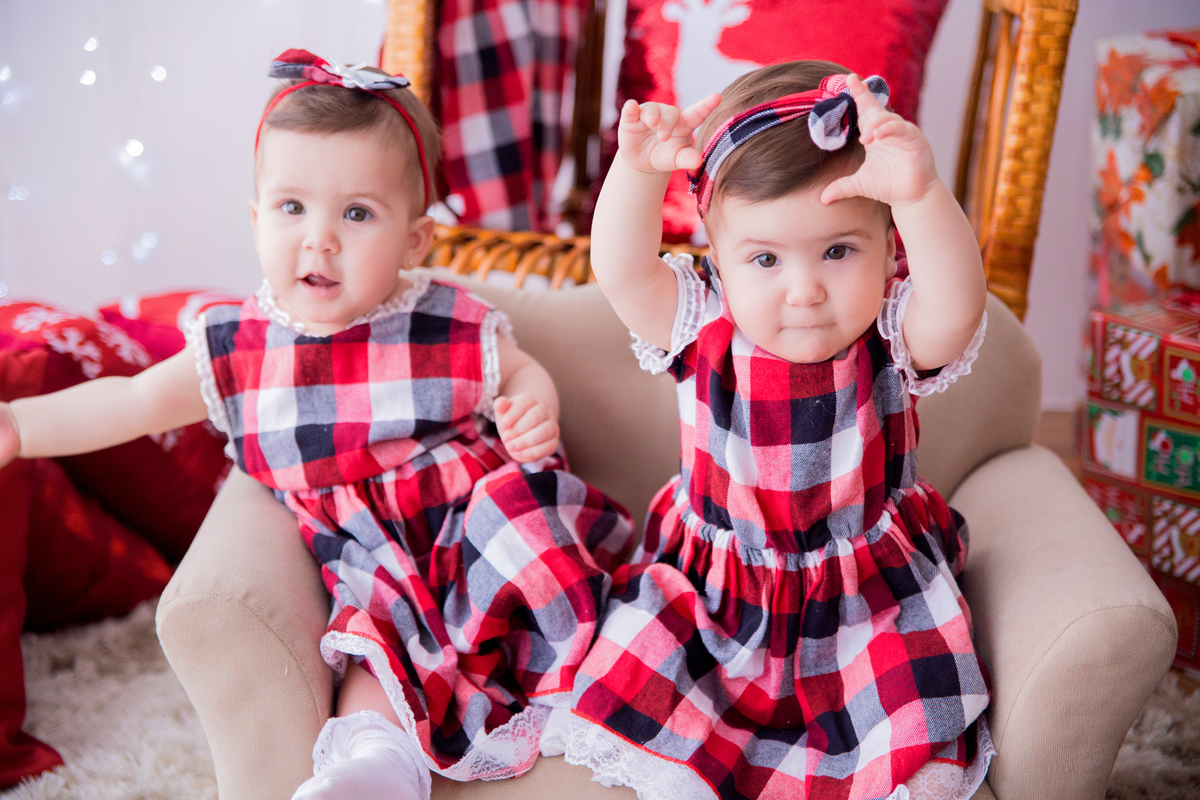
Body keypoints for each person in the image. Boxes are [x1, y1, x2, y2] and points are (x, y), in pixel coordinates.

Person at [0, 49, 632, 800]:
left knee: (533, 552)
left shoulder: (440, 318)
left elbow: (515, 368)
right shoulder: (238, 346)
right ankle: (375, 761)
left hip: (475, 524)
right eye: (292, 208)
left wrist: (533, 403)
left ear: (413, 242)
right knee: (373, 647)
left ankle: (588, 699)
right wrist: (16, 425)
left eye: (357, 213)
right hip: (368, 557)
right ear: (257, 218)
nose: (319, 238)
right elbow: (131, 402)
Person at [562, 61, 993, 800]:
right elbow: (621, 269)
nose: (804, 290)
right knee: (655, 710)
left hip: (867, 601)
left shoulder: (890, 334)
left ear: (889, 248)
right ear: (718, 262)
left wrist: (920, 194)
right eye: (763, 258)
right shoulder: (699, 326)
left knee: (912, 724)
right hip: (716, 601)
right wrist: (636, 173)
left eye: (838, 250)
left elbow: (957, 308)